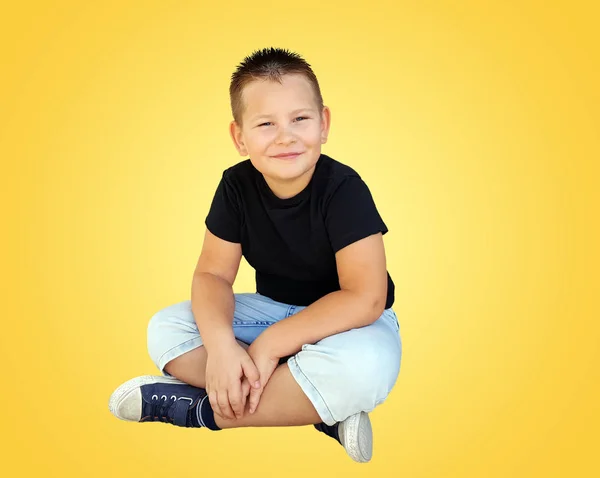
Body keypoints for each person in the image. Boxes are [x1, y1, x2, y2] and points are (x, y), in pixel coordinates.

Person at [108, 47, 402, 463]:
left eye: (300, 119)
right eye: (266, 124)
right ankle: (319, 408)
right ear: (239, 137)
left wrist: (267, 346)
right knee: (166, 328)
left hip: (350, 324)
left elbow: (365, 297)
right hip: (274, 311)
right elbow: (211, 276)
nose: (286, 136)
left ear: (324, 124)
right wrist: (224, 347)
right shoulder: (235, 187)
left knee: (368, 366)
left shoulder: (344, 189)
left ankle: (200, 409)